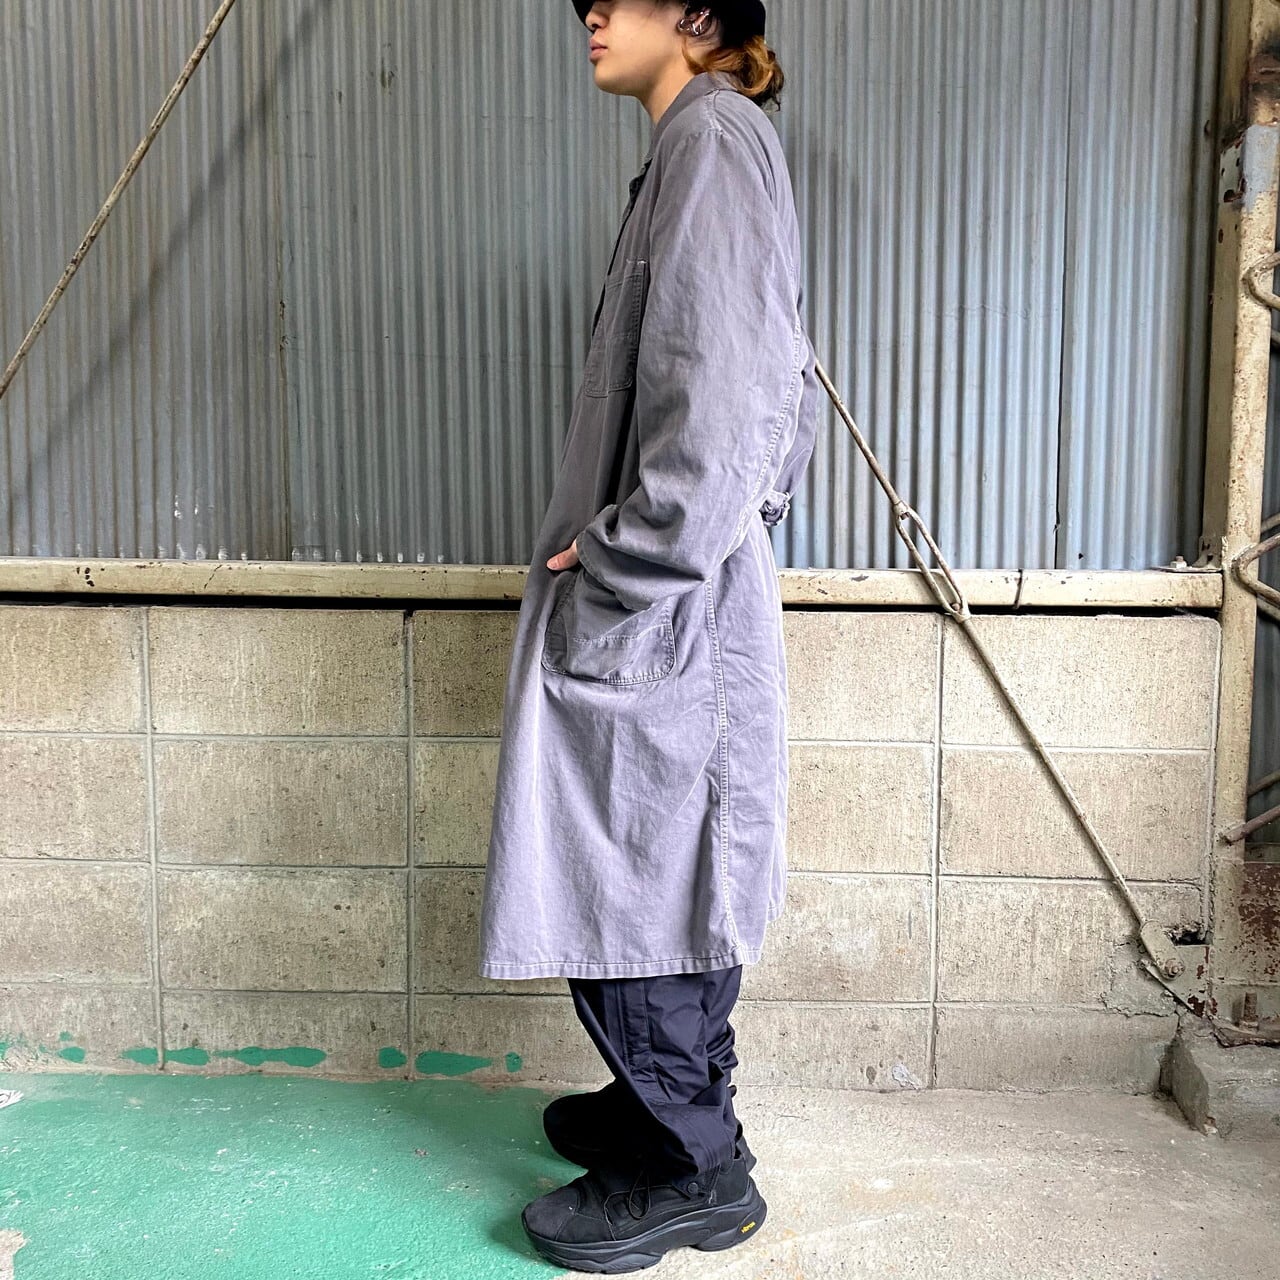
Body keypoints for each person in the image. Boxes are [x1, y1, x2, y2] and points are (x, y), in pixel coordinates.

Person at [478, 0, 820, 1270]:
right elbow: (777, 390)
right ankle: (656, 1104)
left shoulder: (711, 144)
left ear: (698, 16)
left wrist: (631, 550)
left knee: (642, 881)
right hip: (664, 602)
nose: (588, 14)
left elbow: (734, 406)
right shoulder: (695, 147)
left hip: (662, 601)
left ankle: (695, 1168)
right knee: (648, 874)